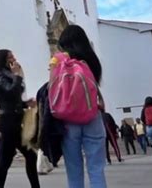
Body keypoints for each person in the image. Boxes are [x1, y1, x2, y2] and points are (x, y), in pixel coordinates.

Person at [50, 25, 106, 188]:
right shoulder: (91, 59)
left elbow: (52, 87)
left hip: (67, 119)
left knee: (74, 172)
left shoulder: (58, 59)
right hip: (92, 115)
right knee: (96, 170)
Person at [0, 49, 39, 188]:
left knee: (28, 157)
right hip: (8, 122)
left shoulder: (8, 74)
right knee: (5, 161)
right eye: (10, 57)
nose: (14, 59)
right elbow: (10, 92)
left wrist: (25, 103)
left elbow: (11, 98)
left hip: (15, 120)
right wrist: (17, 75)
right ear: (3, 60)